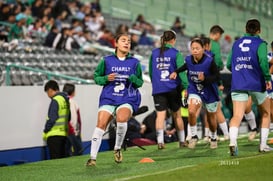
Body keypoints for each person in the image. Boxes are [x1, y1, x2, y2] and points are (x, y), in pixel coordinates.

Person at [86, 33, 143, 166]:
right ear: (116, 44)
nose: (127, 43)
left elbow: (139, 82)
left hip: (127, 98)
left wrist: (132, 78)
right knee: (100, 125)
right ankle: (92, 158)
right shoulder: (106, 60)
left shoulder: (135, 62)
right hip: (109, 97)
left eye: (129, 41)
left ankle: (117, 148)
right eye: (123, 40)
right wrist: (106, 78)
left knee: (121, 119)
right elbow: (96, 77)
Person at [226, 19, 272, 156]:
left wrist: (240, 71)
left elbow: (229, 64)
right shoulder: (261, 44)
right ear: (259, 30)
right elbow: (264, 62)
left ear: (245, 29)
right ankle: (263, 145)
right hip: (256, 82)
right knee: (266, 113)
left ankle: (233, 142)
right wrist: (267, 78)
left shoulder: (236, 43)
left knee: (237, 115)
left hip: (239, 83)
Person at [170, 38, 220, 149]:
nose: (195, 50)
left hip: (209, 91)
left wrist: (205, 78)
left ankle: (213, 137)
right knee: (191, 111)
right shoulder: (188, 59)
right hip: (194, 90)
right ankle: (193, 136)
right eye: (193, 48)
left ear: (203, 49)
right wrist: (175, 72)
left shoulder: (209, 61)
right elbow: (185, 67)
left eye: (197, 48)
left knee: (211, 118)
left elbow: (217, 76)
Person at [149, 30, 187, 149]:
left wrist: (156, 83)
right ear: (173, 40)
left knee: (160, 115)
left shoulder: (154, 53)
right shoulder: (176, 53)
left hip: (158, 88)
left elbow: (151, 72)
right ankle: (182, 141)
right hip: (172, 88)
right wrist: (186, 87)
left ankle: (160, 142)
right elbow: (181, 72)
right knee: (177, 115)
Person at [201, 37, 229, 142]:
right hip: (212, 87)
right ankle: (224, 134)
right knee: (216, 111)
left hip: (203, 88)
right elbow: (216, 72)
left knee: (208, 112)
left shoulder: (200, 58)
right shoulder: (210, 57)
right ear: (208, 46)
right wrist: (220, 83)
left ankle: (208, 135)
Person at [42, 80, 70, 159]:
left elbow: (52, 118)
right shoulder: (65, 100)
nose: (48, 95)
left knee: (55, 161)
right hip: (64, 134)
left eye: (47, 92)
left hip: (54, 135)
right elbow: (69, 117)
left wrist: (45, 131)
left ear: (50, 90)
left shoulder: (55, 100)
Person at [62, 83, 83, 156]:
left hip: (68, 131)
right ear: (73, 91)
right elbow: (74, 118)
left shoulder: (65, 101)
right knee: (78, 151)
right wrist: (76, 131)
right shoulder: (71, 102)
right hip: (72, 132)